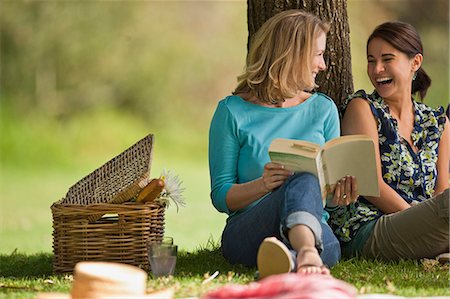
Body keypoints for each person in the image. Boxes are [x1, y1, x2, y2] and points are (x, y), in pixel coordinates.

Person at [208, 10, 358, 278]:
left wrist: (340, 195)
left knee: (311, 193)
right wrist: (263, 185)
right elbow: (221, 196)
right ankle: (308, 253)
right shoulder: (232, 112)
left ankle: (291, 257)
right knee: (301, 181)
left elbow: (328, 200)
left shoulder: (323, 109)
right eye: (318, 54)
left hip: (314, 228)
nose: (323, 65)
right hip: (250, 229)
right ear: (292, 55)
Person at [328, 21, 449, 261]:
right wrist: (417, 216)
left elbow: (441, 189)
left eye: (387, 59)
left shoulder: (438, 123)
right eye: (371, 60)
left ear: (415, 62)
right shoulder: (362, 108)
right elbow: (369, 185)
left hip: (428, 224)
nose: (377, 69)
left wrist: (427, 220)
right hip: (372, 226)